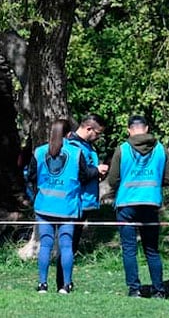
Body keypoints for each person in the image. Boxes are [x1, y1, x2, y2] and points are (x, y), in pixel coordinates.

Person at [29, 119, 102, 294]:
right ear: (69, 134)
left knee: (45, 245)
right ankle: (66, 285)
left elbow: (31, 176)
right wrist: (98, 170)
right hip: (67, 206)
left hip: (44, 206)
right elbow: (84, 176)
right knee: (66, 245)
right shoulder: (76, 153)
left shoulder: (39, 152)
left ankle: (42, 284)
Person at [107, 115, 169, 298]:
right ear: (146, 128)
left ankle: (134, 289)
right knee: (152, 250)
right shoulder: (161, 149)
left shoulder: (122, 149)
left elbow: (113, 180)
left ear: (129, 130)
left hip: (126, 204)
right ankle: (158, 290)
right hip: (150, 203)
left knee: (129, 249)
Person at [57, 113, 108, 291]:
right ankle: (63, 283)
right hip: (75, 200)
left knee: (72, 242)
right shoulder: (72, 146)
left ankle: (65, 281)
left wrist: (97, 174)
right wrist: (97, 170)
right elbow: (80, 174)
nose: (99, 137)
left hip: (84, 200)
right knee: (68, 243)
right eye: (98, 133)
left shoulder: (87, 146)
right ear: (88, 129)